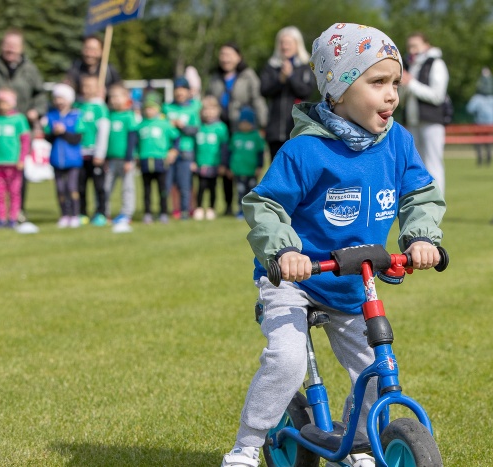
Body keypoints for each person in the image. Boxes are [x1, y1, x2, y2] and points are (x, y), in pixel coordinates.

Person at [219, 23, 445, 467]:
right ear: (338, 91)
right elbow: (265, 205)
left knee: (377, 369)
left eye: (395, 83)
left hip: (354, 281)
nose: (391, 95)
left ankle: (360, 444)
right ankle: (247, 445)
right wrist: (285, 252)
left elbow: (420, 195)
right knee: (287, 362)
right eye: (377, 82)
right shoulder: (305, 151)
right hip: (297, 278)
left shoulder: (398, 142)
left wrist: (421, 237)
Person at [207, 42, 268, 216]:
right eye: (222, 55)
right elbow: (209, 99)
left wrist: (262, 124)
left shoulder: (248, 76)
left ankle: (246, 204)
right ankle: (227, 205)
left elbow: (257, 100)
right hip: (220, 127)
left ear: (238, 57)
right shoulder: (215, 77)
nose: (225, 58)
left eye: (229, 54)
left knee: (243, 166)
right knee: (224, 165)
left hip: (243, 127)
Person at [0, 29, 48, 222]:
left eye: (14, 46)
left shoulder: (29, 69)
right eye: (7, 45)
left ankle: (17, 211)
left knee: (18, 174)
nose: (10, 49)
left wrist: (37, 110)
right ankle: (0, 213)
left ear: (21, 48)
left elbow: (40, 94)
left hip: (20, 128)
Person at [400, 32, 450, 195]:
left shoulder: (436, 63)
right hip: (412, 123)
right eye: (409, 46)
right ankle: (420, 202)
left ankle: (437, 202)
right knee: (415, 166)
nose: (411, 50)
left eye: (415, 46)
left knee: (433, 164)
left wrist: (411, 83)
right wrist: (403, 85)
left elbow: (437, 96)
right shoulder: (409, 65)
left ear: (426, 45)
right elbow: (401, 100)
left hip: (432, 122)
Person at [260, 26, 316, 161]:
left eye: (288, 43)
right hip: (274, 128)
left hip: (297, 126)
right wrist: (280, 80)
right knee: (276, 163)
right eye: (282, 43)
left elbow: (306, 91)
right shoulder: (271, 66)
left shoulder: (305, 66)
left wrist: (291, 76)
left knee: (297, 163)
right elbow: (263, 90)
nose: (285, 46)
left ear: (297, 44)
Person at [127, 92, 179, 224]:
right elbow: (135, 142)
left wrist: (173, 151)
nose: (149, 111)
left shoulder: (164, 124)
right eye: (147, 108)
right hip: (145, 161)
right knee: (147, 190)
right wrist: (136, 155)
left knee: (162, 189)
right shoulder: (141, 125)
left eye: (152, 108)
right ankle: (147, 213)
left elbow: (176, 137)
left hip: (160, 161)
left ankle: (163, 212)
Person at [44, 83, 85, 228]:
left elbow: (77, 139)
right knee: (60, 189)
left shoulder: (76, 116)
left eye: (62, 98)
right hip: (56, 159)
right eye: (57, 98)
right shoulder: (51, 116)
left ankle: (75, 214)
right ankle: (64, 215)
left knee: (72, 188)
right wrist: (54, 133)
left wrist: (64, 132)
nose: (59, 101)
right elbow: (47, 137)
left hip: (73, 160)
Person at [75, 75, 110, 226]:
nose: (87, 89)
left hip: (95, 154)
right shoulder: (78, 106)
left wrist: (100, 153)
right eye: (85, 86)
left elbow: (103, 132)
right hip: (80, 154)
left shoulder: (100, 108)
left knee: (99, 186)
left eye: (91, 86)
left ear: (98, 89)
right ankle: (82, 212)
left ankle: (101, 213)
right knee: (80, 186)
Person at [163, 77, 200, 220]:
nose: (179, 93)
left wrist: (182, 126)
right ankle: (168, 210)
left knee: (185, 184)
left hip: (185, 150)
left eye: (182, 90)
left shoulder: (193, 108)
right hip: (168, 151)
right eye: (177, 90)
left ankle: (186, 211)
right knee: (168, 183)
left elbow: (195, 130)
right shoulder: (167, 107)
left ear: (188, 91)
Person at [104, 83, 138, 224]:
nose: (114, 100)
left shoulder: (129, 116)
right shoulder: (109, 115)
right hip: (110, 160)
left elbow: (132, 139)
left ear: (126, 98)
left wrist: (129, 159)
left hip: (125, 160)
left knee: (127, 188)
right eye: (111, 97)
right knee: (106, 187)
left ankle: (126, 213)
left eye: (117, 96)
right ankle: (104, 212)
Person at [0, 87, 30, 228]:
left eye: (5, 102)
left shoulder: (19, 119)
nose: (2, 105)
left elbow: (25, 140)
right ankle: (0, 218)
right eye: (0, 102)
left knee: (14, 192)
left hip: (13, 163)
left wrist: (21, 159)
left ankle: (13, 218)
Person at [192, 96, 229, 221]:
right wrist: (194, 161)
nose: (209, 112)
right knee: (201, 186)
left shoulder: (221, 127)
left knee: (213, 187)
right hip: (201, 163)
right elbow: (194, 147)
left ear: (217, 110)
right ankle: (198, 208)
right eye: (206, 109)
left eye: (212, 109)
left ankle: (211, 208)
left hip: (214, 164)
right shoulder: (199, 127)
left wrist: (223, 164)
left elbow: (224, 148)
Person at [227, 107, 264, 221]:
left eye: (247, 123)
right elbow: (230, 152)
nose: (244, 125)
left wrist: (259, 166)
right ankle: (240, 210)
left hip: (251, 170)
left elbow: (260, 153)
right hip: (239, 170)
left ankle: (252, 211)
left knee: (252, 191)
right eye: (242, 122)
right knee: (240, 191)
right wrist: (230, 167)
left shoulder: (256, 136)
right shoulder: (236, 136)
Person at [466, 67, 493, 166]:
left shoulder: (477, 99)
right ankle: (486, 159)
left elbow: (469, 109)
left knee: (480, 141)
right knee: (488, 141)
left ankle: (482, 159)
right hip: (489, 124)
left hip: (480, 124)